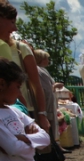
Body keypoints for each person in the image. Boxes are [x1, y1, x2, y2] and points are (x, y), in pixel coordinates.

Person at [0, 1, 49, 133]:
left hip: (24, 110)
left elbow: (36, 85)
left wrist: (41, 114)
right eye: (11, 22)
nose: (15, 28)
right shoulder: (2, 47)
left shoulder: (21, 49)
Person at [32, 49, 56, 161]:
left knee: (46, 145)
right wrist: (44, 113)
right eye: (46, 58)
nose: (49, 61)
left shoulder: (41, 71)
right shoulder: (38, 72)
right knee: (44, 147)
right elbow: (45, 91)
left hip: (45, 111)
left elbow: (48, 91)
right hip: (43, 112)